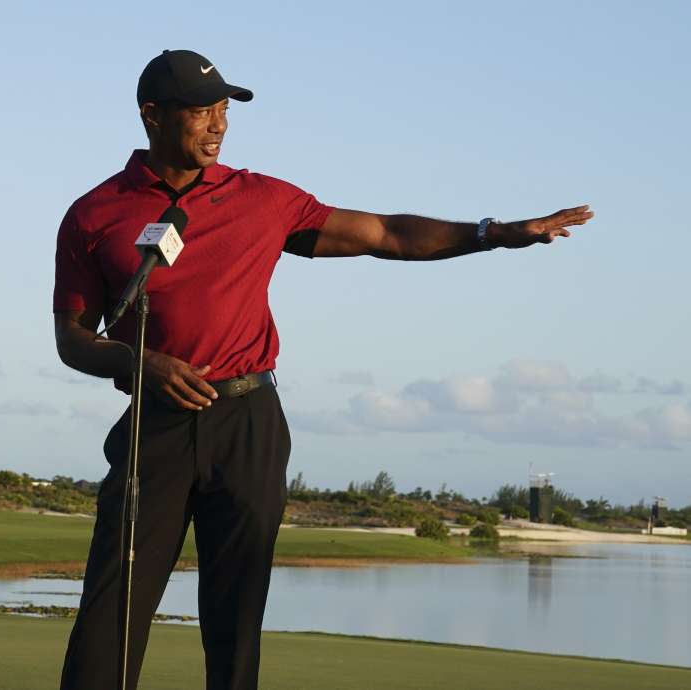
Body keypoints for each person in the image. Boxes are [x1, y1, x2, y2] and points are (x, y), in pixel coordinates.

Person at [51, 49, 593, 690]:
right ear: (152, 116)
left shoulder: (262, 199)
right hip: (156, 424)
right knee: (111, 606)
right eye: (202, 111)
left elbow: (385, 234)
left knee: (236, 618)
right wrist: (140, 362)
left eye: (224, 110)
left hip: (247, 420)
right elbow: (73, 338)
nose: (218, 125)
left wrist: (494, 232)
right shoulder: (95, 214)